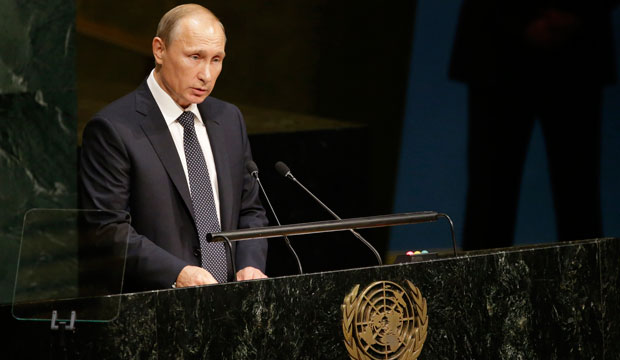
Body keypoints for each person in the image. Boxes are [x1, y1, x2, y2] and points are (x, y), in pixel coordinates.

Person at [79, 4, 268, 291]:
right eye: (195, 57)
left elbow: (250, 210)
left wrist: (250, 264)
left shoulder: (229, 119)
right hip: (157, 308)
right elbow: (107, 230)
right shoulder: (113, 128)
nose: (206, 74)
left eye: (216, 60)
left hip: (231, 305)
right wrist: (178, 273)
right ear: (159, 50)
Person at [450, 1, 617, 250]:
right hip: (497, 53)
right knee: (490, 197)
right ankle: (479, 286)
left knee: (579, 195)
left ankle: (589, 285)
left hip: (576, 55)